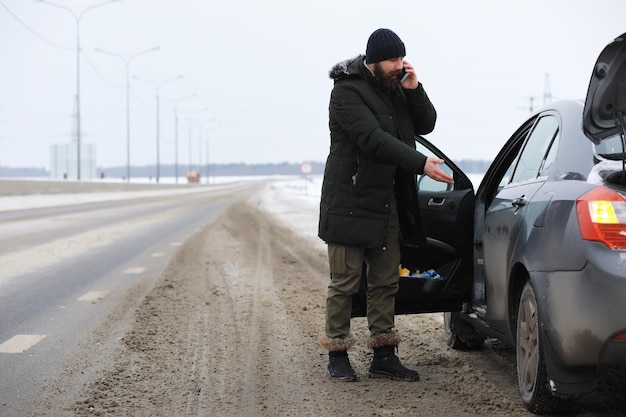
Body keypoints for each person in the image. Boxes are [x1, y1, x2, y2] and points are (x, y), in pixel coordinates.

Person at [318, 28, 454, 382]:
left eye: (401, 59)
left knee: (384, 282)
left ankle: (383, 355)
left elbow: (427, 123)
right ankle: (337, 354)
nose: (400, 65)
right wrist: (420, 163)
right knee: (345, 283)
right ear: (374, 61)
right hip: (349, 199)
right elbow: (373, 140)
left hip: (386, 201)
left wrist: (415, 90)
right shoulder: (346, 92)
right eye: (393, 60)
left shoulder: (397, 89)